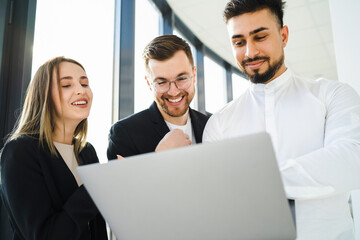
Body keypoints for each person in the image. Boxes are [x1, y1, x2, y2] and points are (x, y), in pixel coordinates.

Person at [203, 0, 360, 239]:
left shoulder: (332, 95)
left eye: (260, 36)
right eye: (239, 42)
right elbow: (218, 199)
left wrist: (254, 181)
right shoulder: (219, 123)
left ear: (284, 35)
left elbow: (352, 160)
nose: (250, 52)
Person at [0, 57, 108, 240]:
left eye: (84, 83)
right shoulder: (19, 151)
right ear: (44, 95)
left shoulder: (87, 151)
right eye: (66, 85)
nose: (81, 90)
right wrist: (96, 185)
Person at [107, 35, 209, 159]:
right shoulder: (125, 134)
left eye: (181, 78)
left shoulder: (211, 125)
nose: (173, 92)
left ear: (194, 74)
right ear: (149, 83)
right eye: (162, 82)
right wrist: (159, 157)